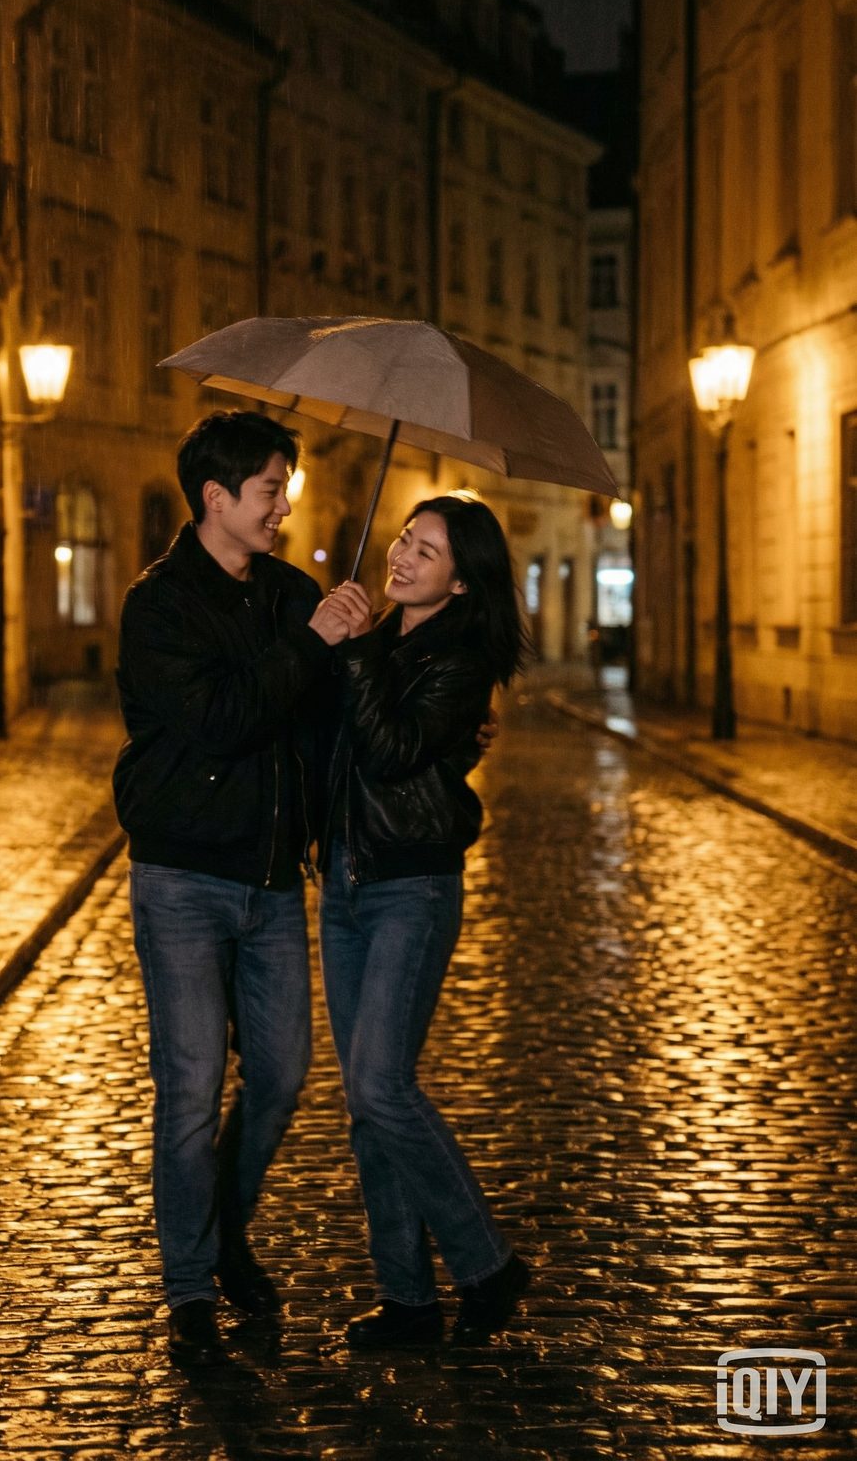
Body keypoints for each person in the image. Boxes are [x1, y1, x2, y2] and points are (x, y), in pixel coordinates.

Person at [113, 410, 369, 1365]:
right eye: (270, 489)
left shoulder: (292, 595)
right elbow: (220, 717)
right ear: (217, 498)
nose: (285, 504)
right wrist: (310, 644)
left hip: (269, 880)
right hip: (181, 877)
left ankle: (220, 1229)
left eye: (287, 486)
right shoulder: (160, 605)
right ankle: (189, 1291)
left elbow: (337, 720)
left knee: (283, 1073)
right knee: (187, 1090)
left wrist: (422, 710)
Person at [314, 493, 530, 1351]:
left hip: (413, 886)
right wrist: (329, 646)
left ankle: (486, 1264)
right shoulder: (380, 639)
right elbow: (328, 738)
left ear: (462, 583)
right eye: (406, 537)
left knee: (380, 1086)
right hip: (344, 881)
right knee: (370, 1107)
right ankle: (406, 1299)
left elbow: (394, 749)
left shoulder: (461, 660)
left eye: (428, 551)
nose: (403, 555)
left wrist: (358, 653)